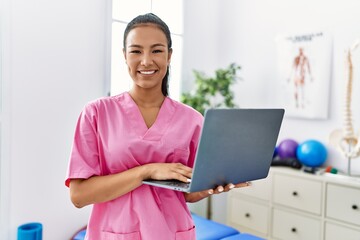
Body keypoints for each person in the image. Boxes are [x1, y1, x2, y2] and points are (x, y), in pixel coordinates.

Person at [65, 13, 249, 240]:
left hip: (172, 232)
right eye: (136, 51)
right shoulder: (96, 113)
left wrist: (208, 187)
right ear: (124, 55)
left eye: (156, 50)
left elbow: (187, 193)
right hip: (115, 233)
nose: (146, 60)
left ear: (169, 55)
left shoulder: (192, 119)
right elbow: (79, 195)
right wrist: (147, 170)